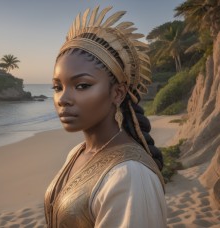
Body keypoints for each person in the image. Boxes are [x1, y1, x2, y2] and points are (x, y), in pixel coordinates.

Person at [44, 5, 167, 228]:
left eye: (82, 85)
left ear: (117, 93)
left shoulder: (130, 175)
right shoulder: (77, 153)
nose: (63, 98)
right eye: (57, 87)